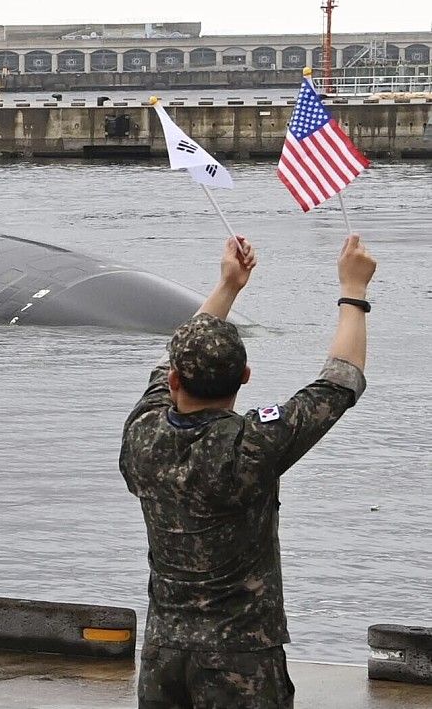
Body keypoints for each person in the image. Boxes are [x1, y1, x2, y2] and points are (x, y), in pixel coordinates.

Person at [121, 235, 375, 709]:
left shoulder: (142, 434)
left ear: (174, 381)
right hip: (241, 658)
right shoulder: (252, 445)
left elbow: (168, 361)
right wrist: (353, 290)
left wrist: (227, 287)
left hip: (164, 654)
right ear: (245, 377)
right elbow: (340, 380)